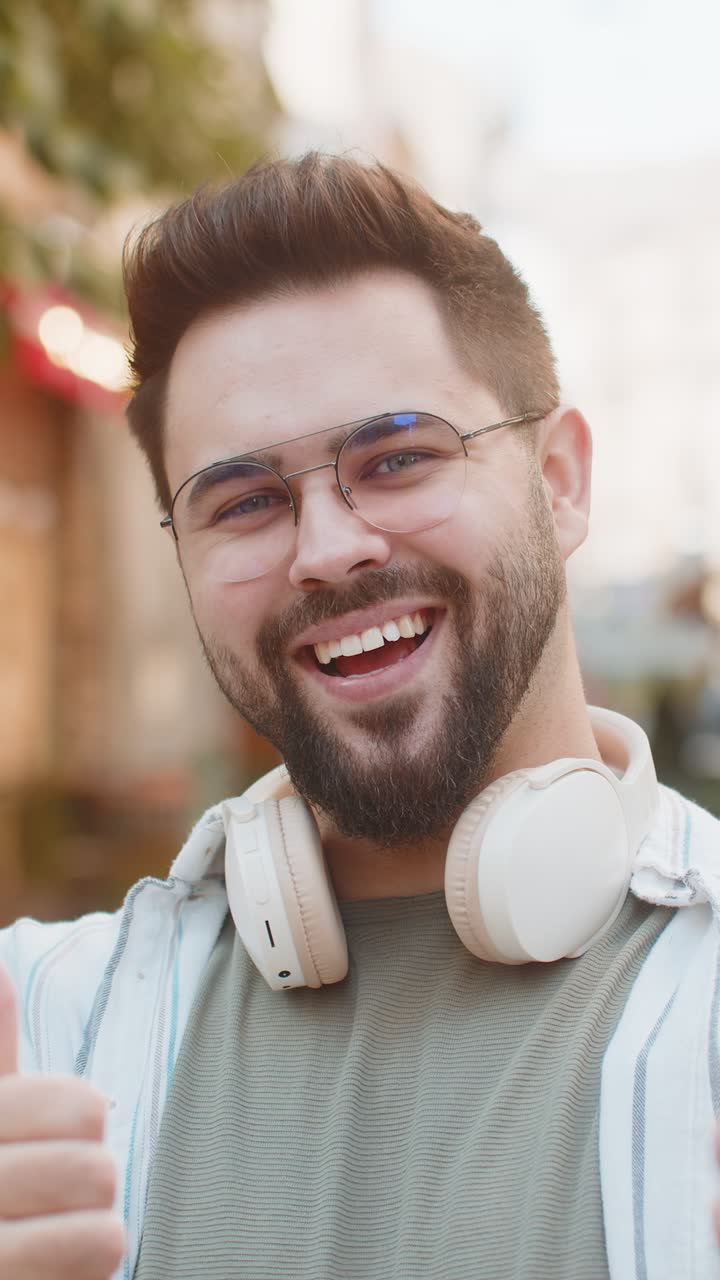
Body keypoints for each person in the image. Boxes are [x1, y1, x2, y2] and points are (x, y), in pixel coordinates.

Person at [0, 152, 718, 1280]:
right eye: (242, 501)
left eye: (397, 456)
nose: (330, 550)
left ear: (563, 480)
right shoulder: (34, 1032)